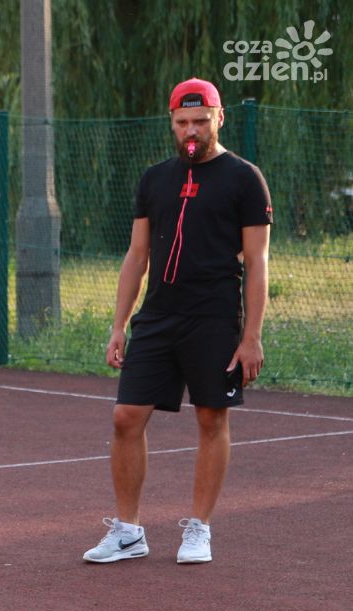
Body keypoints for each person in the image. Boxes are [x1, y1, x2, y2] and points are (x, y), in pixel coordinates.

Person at [83, 78, 271, 566]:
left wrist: (251, 337)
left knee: (211, 417)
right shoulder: (154, 179)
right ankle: (128, 532)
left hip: (214, 317)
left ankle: (199, 529)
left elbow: (257, 264)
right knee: (126, 417)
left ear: (219, 119)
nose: (192, 131)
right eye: (183, 122)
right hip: (158, 317)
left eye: (200, 121)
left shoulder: (244, 179)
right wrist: (119, 324)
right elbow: (137, 255)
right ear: (171, 123)